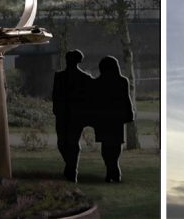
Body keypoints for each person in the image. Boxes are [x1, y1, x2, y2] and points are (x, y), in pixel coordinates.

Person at [91, 56, 135, 183]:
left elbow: (94, 101)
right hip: (116, 118)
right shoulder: (122, 81)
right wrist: (129, 113)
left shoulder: (98, 82)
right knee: (115, 145)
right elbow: (127, 100)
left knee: (106, 146)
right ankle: (113, 169)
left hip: (104, 118)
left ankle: (111, 170)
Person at [52, 50, 91, 182]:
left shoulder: (85, 78)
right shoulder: (59, 76)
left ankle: (72, 170)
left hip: (76, 115)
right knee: (62, 143)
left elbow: (88, 98)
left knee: (72, 142)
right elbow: (55, 95)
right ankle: (70, 166)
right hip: (62, 114)